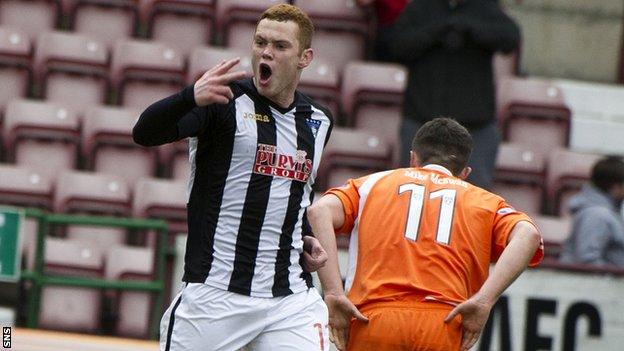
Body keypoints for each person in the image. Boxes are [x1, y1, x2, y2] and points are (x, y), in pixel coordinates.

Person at [132, 4, 335, 350]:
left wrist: (305, 236)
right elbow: (144, 133)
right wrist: (188, 97)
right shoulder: (223, 100)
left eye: (280, 46)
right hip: (216, 294)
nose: (266, 52)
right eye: (260, 42)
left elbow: (292, 193)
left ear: (305, 57)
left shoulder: (318, 120)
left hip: (289, 299)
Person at [309, 117, 544, 351]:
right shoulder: (486, 202)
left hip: (374, 318)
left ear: (413, 158)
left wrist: (333, 293)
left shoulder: (371, 185)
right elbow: (528, 236)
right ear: (464, 172)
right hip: (444, 323)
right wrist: (484, 301)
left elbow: (319, 211)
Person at [392, 0, 520, 189]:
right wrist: (439, 30)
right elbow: (397, 45)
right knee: (412, 188)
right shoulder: (421, 7)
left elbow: (510, 38)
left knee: (474, 195)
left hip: (475, 125)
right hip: (422, 121)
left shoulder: (484, 6)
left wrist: (468, 27)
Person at [560, 156, 624, 268]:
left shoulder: (607, 212)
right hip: (597, 284)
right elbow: (587, 262)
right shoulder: (597, 215)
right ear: (616, 187)